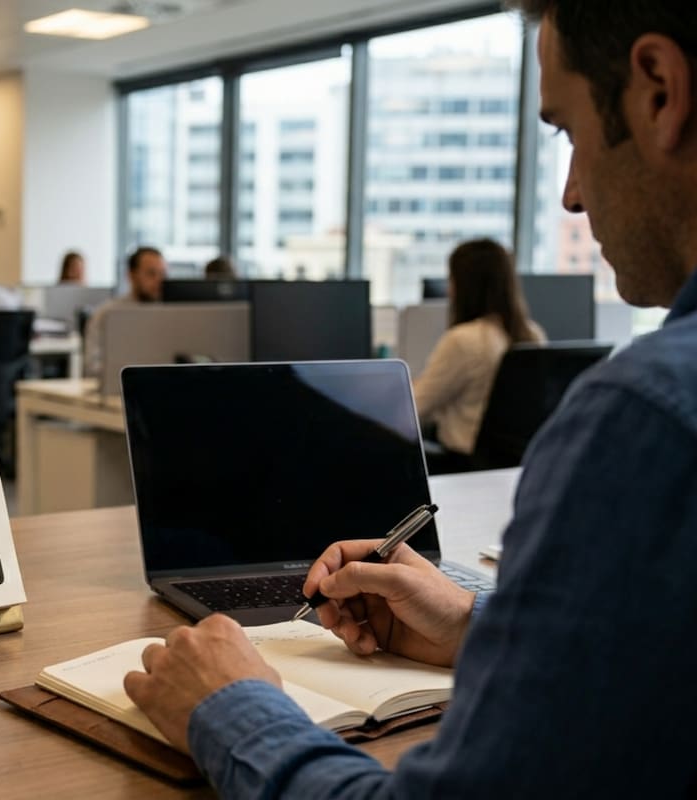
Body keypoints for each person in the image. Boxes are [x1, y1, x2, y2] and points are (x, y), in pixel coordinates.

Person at [123, 2, 697, 796]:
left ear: (661, 91)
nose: (569, 194)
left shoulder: (650, 420)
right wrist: (473, 627)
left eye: (565, 132)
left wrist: (231, 707)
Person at [413, 239, 546, 462]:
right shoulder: (533, 335)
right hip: (510, 465)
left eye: (451, 280)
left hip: (459, 462)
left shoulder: (463, 340)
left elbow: (415, 409)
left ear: (465, 285)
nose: (449, 289)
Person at [84, 247, 167, 378]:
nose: (159, 280)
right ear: (131, 275)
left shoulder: (172, 315)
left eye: (162, 274)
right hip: (120, 390)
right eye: (151, 273)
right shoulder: (107, 313)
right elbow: (92, 366)